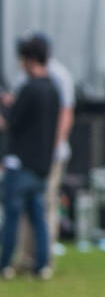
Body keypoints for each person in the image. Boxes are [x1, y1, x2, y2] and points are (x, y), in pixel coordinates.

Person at [11, 31, 75, 269]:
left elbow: (65, 115)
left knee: (46, 204)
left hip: (52, 153)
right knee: (29, 207)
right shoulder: (24, 79)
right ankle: (28, 257)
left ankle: (43, 257)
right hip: (31, 155)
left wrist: (52, 147)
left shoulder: (59, 77)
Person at [0, 35, 60, 280]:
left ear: (29, 59)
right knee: (38, 217)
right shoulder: (53, 89)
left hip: (21, 164)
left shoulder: (28, 88)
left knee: (12, 216)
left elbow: (11, 123)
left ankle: (4, 264)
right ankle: (42, 265)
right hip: (42, 165)